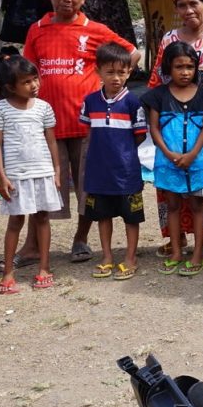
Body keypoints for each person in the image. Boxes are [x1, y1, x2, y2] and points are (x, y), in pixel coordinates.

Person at [21, 0, 138, 265]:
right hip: (47, 126)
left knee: (89, 185)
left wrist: (114, 84)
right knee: (45, 185)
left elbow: (131, 52)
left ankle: (81, 240)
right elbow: (27, 72)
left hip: (89, 127)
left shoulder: (95, 31)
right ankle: (32, 245)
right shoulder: (37, 30)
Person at [149, 0, 203, 265]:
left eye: (193, 3)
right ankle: (177, 238)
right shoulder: (169, 40)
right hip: (172, 124)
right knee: (171, 178)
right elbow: (158, 82)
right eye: (181, 5)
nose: (188, 10)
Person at [0, 57, 61, 294]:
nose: (34, 85)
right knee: (15, 221)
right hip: (16, 175)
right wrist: (2, 176)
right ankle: (8, 272)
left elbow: (51, 141)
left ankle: (44, 268)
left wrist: (57, 171)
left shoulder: (44, 107)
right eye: (26, 82)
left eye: (35, 79)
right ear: (10, 87)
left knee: (42, 218)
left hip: (42, 172)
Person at [145, 42, 203, 277]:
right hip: (168, 163)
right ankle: (176, 251)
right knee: (173, 206)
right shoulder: (158, 96)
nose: (185, 72)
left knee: (197, 205)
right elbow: (154, 128)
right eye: (179, 67)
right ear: (168, 67)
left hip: (197, 162)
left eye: (190, 66)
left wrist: (193, 154)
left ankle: (198, 253)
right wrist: (169, 153)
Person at [81, 43, 147, 281]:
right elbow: (89, 132)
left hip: (126, 173)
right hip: (98, 173)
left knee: (131, 217)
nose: (116, 78)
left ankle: (131, 257)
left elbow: (139, 136)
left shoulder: (133, 103)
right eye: (110, 72)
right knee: (102, 216)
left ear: (129, 72)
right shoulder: (90, 102)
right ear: (98, 71)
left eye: (121, 72)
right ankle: (107, 256)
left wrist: (122, 155)